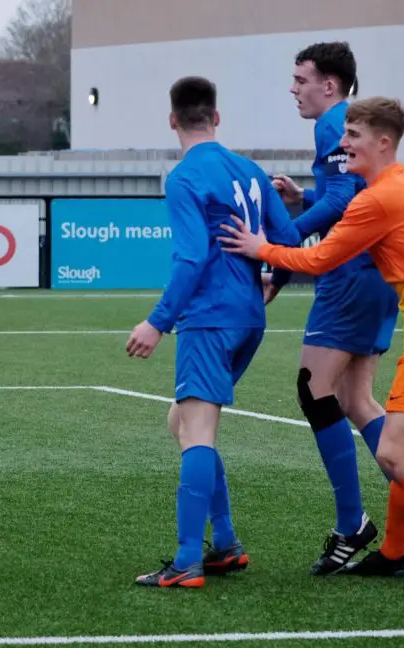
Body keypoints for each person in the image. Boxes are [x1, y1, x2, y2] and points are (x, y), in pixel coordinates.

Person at [218, 98, 404, 592]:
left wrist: (259, 249)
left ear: (383, 141)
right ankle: (395, 551)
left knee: (396, 453)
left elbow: (320, 259)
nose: (342, 143)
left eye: (353, 134)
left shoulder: (379, 197)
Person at [125, 76, 302, 588]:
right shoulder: (247, 169)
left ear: (172, 120)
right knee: (180, 422)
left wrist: (157, 322)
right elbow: (288, 237)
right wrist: (277, 279)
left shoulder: (183, 177)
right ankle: (224, 544)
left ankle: (186, 562)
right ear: (217, 118)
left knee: (197, 430)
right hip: (248, 317)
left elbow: (191, 256)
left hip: (209, 318)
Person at [264, 42, 404, 575]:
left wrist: (284, 250)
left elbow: (343, 204)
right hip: (374, 274)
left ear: (329, 85)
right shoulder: (347, 125)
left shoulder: (334, 122)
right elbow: (344, 194)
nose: (293, 89)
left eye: (300, 79)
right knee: (356, 399)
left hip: (351, 276)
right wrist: (305, 200)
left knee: (313, 390)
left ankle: (352, 524)